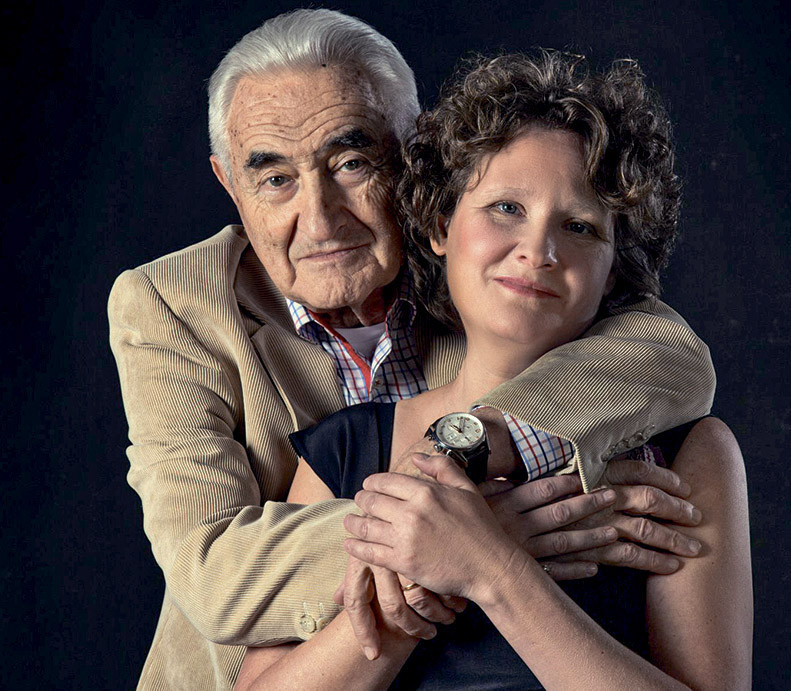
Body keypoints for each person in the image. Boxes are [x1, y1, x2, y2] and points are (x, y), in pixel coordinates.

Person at [108, 10, 715, 689]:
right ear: (229, 184)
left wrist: (469, 454)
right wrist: (463, 530)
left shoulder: (489, 276)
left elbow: (671, 352)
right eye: (275, 178)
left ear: (413, 152)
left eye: (351, 163)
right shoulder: (172, 304)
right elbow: (215, 574)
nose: (320, 219)